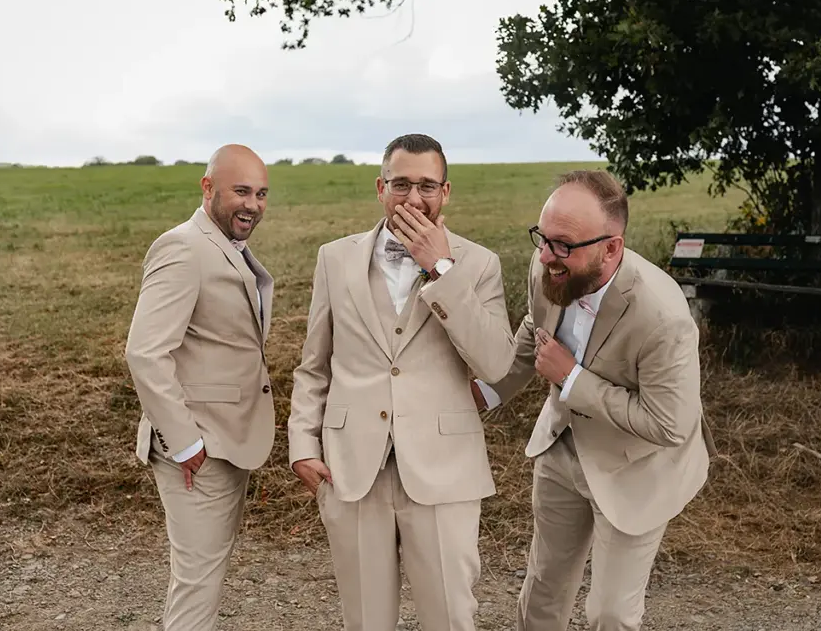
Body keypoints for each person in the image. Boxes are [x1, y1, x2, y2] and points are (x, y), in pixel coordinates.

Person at [287, 133, 517, 631]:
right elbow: (315, 364)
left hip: (444, 469)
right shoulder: (334, 258)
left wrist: (442, 269)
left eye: (427, 186)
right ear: (380, 188)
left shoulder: (479, 264)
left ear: (446, 192)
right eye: (401, 184)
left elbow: (496, 363)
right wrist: (302, 445)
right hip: (352, 469)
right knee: (365, 621)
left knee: (451, 618)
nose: (414, 198)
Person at [472, 169, 717, 631]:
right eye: (543, 238)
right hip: (562, 446)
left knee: (610, 613)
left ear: (611, 248)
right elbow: (535, 331)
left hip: (638, 467)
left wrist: (571, 379)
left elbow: (670, 425)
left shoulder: (663, 317)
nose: (546, 255)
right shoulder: (547, 265)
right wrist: (481, 394)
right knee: (543, 590)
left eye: (563, 245)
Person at [123, 144, 276, 631]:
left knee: (202, 576)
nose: (252, 204)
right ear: (208, 188)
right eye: (241, 191)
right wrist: (186, 443)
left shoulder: (225, 247)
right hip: (198, 449)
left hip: (227, 440)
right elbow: (145, 352)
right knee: (197, 585)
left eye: (261, 194)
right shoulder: (183, 248)